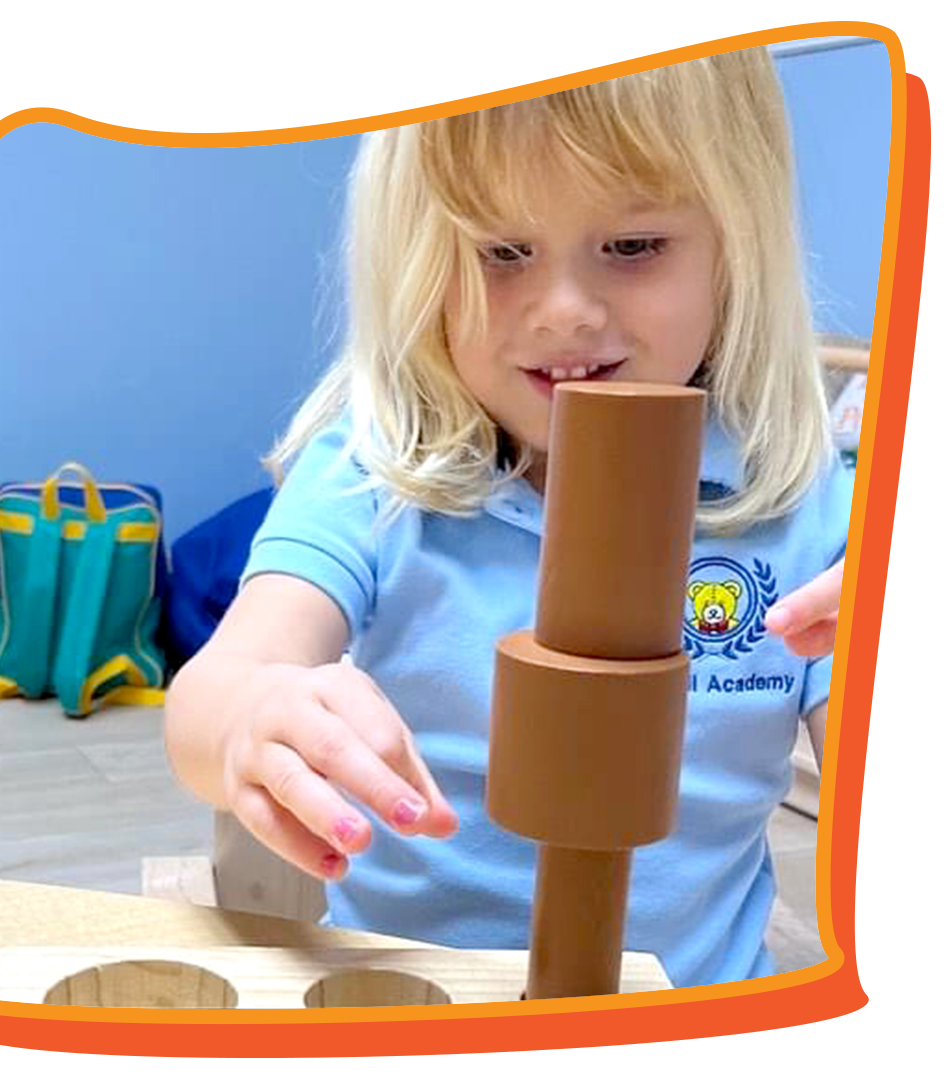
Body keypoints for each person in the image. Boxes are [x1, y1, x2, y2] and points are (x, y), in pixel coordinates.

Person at [165, 47, 854, 990]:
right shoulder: (372, 477)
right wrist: (252, 718)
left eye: (633, 246)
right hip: (413, 1015)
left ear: (736, 245)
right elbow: (220, 686)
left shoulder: (813, 511)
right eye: (501, 252)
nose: (564, 311)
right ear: (420, 258)